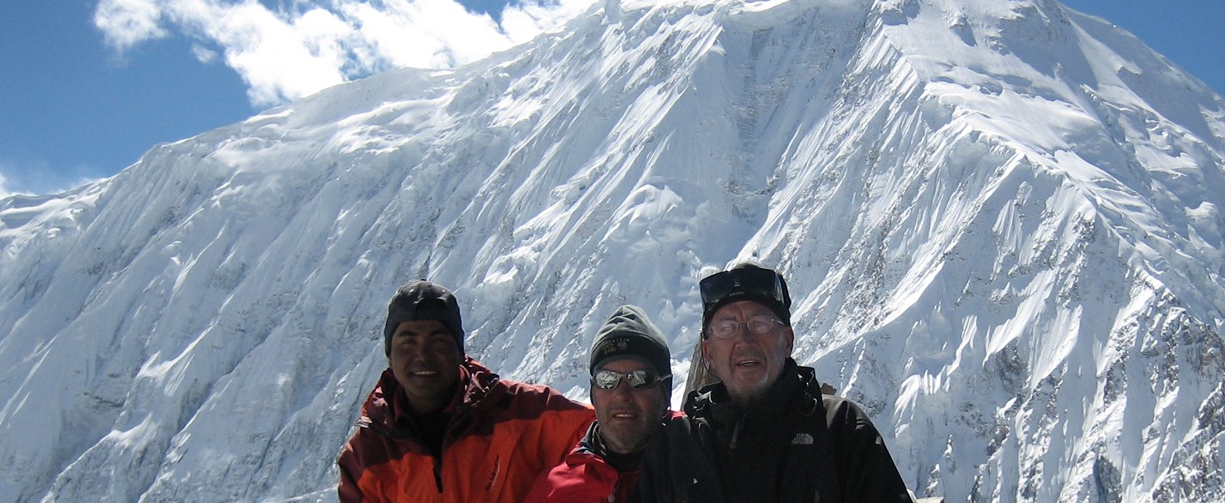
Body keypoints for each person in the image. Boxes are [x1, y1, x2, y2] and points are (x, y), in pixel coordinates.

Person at [337, 280, 594, 501]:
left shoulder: (527, 413)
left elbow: (612, 435)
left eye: (438, 340)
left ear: (460, 351)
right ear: (390, 356)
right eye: (408, 342)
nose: (422, 356)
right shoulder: (366, 456)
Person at [685, 263, 913, 502]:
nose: (744, 339)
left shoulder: (839, 428)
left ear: (787, 341)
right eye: (726, 328)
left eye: (760, 323)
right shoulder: (684, 444)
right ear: (709, 352)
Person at [525, 305, 723, 503]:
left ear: (665, 392)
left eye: (639, 379)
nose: (621, 394)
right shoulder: (555, 493)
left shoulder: (709, 461)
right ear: (593, 393)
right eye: (607, 379)